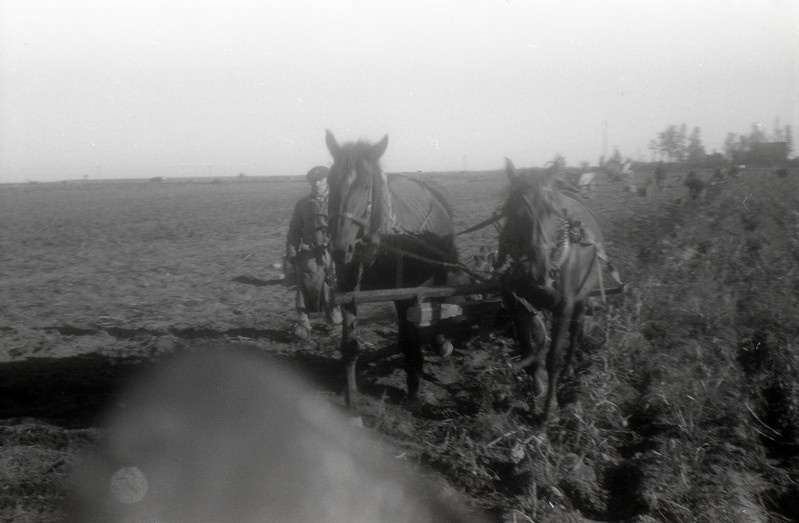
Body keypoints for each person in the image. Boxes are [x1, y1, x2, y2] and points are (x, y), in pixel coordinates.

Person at [285, 166, 342, 339]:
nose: (317, 183)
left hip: (334, 253)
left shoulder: (339, 201)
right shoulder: (303, 204)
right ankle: (303, 322)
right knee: (305, 285)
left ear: (328, 180)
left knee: (332, 286)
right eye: (313, 181)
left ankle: (336, 322)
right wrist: (292, 250)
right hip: (310, 253)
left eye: (320, 180)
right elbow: (295, 229)